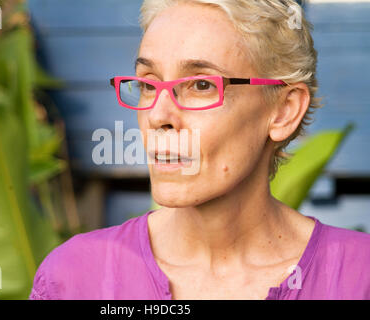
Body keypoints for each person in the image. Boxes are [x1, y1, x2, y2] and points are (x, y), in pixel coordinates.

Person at [29, 0, 370, 300]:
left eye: (201, 85)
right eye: (148, 84)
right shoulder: (75, 279)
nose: (159, 115)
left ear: (283, 110)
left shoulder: (358, 279)